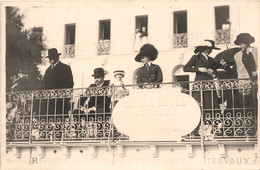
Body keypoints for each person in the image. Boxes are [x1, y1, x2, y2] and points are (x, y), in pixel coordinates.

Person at [183, 39, 221, 109]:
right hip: (199, 84)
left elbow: (215, 74)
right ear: (204, 49)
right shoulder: (196, 57)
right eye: (209, 49)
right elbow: (185, 68)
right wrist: (198, 69)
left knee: (211, 103)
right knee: (199, 104)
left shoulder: (212, 60)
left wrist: (212, 73)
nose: (211, 51)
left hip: (209, 85)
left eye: (211, 49)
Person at [41, 48, 74, 115]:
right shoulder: (48, 70)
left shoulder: (65, 68)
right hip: (49, 100)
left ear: (57, 57)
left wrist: (65, 96)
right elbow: (44, 84)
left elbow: (70, 83)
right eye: (50, 58)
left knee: (59, 119)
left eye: (53, 57)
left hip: (60, 100)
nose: (50, 59)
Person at [230, 33, 257, 108]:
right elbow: (236, 70)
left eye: (242, 44)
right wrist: (226, 66)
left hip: (255, 82)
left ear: (247, 43)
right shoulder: (237, 56)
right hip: (242, 84)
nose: (240, 46)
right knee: (244, 104)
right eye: (239, 44)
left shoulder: (255, 52)